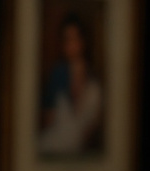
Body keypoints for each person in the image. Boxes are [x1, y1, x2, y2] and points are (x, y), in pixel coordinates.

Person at [38, 13, 103, 156]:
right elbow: (49, 118)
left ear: (83, 41)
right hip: (55, 146)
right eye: (66, 40)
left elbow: (94, 124)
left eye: (74, 38)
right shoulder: (58, 74)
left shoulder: (93, 81)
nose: (70, 45)